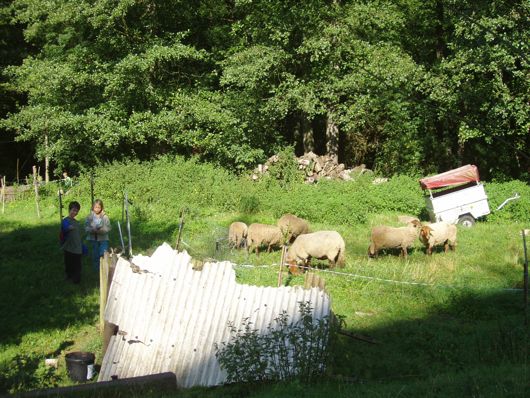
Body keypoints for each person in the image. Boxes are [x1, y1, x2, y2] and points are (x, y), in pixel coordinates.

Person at [85, 199, 111, 271]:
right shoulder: (90, 217)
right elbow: (86, 227)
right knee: (95, 254)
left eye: (99, 207)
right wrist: (91, 230)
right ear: (93, 207)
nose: (97, 209)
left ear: (101, 208)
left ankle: (104, 268)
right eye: (95, 207)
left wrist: (102, 230)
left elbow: (108, 227)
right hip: (93, 238)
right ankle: (96, 269)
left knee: (103, 253)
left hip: (103, 238)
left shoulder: (105, 217)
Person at [61, 201, 83, 283]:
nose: (75, 212)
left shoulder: (77, 222)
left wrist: (82, 246)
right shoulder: (65, 220)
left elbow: (79, 235)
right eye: (73, 210)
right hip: (68, 247)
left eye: (76, 211)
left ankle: (76, 279)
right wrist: (67, 228)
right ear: (69, 210)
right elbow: (64, 228)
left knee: (77, 264)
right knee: (68, 263)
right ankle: (69, 276)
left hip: (77, 248)